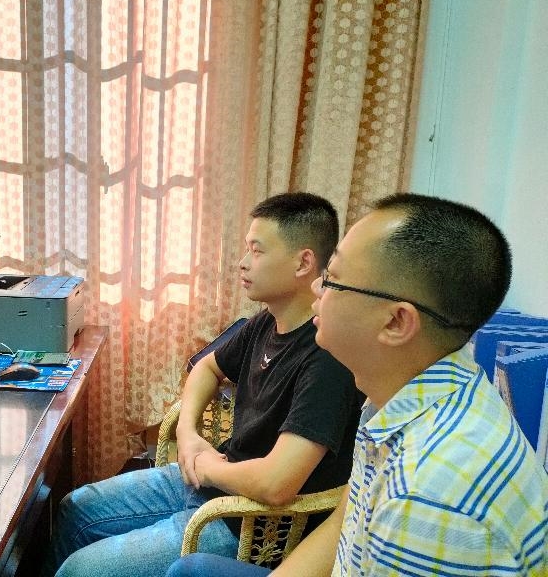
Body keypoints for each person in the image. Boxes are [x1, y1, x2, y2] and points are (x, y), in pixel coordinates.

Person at [166, 193, 548, 577]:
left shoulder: (427, 495)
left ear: (396, 322)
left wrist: (206, 466)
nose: (317, 289)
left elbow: (278, 482)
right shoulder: (399, 394)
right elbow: (345, 521)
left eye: (333, 279)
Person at [43, 193, 364, 577]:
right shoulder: (266, 322)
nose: (242, 262)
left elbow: (276, 484)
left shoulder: (328, 358)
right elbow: (206, 368)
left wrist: (208, 468)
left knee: (81, 570)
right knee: (75, 509)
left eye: (257, 251)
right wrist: (188, 434)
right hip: (213, 480)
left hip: (253, 524)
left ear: (303, 262)